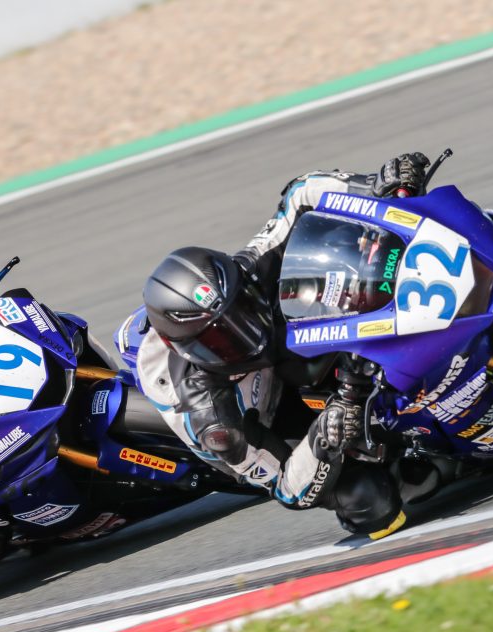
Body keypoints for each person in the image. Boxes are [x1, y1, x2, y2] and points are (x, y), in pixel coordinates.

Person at [135, 154, 435, 539]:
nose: (246, 335)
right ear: (188, 351)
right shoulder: (215, 422)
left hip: (287, 343)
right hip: (271, 418)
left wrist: (375, 185)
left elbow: (300, 194)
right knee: (366, 500)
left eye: (242, 311)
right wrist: (326, 431)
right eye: (221, 340)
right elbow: (289, 490)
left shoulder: (248, 269)